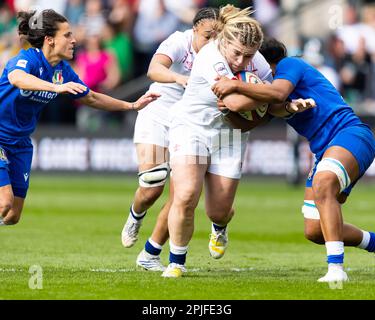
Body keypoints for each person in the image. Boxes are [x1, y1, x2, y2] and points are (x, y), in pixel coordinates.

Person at [211, 37, 375, 283]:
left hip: (350, 134)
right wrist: (226, 110)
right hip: (325, 150)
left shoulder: (290, 65)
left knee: (323, 183)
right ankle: (372, 241)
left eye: (250, 61)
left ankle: (336, 270)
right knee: (314, 230)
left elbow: (278, 93)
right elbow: (250, 124)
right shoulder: (267, 88)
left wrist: (233, 85)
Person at [0, 9, 159, 227]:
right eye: (67, 35)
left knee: (12, 216)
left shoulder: (63, 70)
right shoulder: (27, 59)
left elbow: (91, 97)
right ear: (49, 40)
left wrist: (131, 105)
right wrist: (56, 88)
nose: (74, 40)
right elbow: (17, 78)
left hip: (20, 143)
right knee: (4, 203)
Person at [161, 5, 275, 278]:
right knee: (186, 193)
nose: (240, 62)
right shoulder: (209, 56)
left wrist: (273, 96)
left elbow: (271, 101)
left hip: (230, 135)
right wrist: (266, 93)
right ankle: (176, 261)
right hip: (192, 128)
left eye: (248, 56)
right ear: (223, 42)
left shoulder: (256, 61)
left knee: (218, 210)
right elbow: (235, 102)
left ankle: (220, 227)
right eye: (236, 53)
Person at [120, 7, 220, 272]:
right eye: (207, 35)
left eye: (216, 36)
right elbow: (154, 69)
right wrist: (178, 78)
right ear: (195, 29)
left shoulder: (220, 51)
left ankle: (150, 253)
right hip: (159, 112)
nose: (211, 41)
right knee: (153, 183)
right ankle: (135, 215)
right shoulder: (179, 40)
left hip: (189, 123)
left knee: (181, 196)